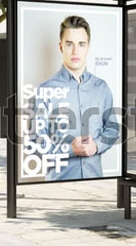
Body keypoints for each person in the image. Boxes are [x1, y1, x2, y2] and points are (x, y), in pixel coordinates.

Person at [33, 15, 120, 181]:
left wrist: (97, 145)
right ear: (61, 47)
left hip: (95, 181)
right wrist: (70, 149)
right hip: (59, 185)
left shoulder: (101, 88)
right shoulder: (46, 89)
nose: (75, 51)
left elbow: (113, 127)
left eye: (81, 44)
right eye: (69, 44)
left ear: (88, 47)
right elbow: (38, 141)